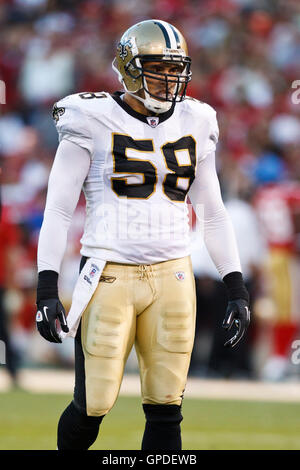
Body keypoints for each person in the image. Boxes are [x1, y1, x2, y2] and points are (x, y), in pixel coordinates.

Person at [35, 19, 250, 451]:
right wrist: (46, 285)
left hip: (174, 273)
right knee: (93, 403)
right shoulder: (88, 115)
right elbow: (58, 209)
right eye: (158, 68)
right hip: (108, 272)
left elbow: (212, 212)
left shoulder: (197, 118)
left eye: (176, 70)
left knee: (167, 403)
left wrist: (235, 285)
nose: (170, 80)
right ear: (129, 68)